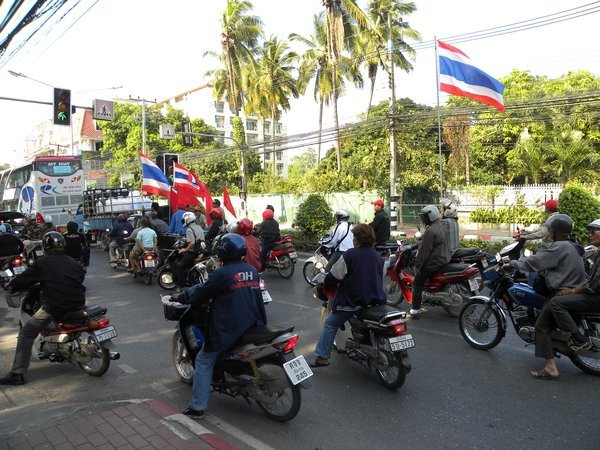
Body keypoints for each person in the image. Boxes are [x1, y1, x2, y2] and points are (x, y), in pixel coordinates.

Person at [173, 233, 267, 418]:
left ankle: (197, 407)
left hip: (230, 327)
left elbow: (201, 291)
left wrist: (181, 296)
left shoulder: (222, 274)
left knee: (203, 359)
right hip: (254, 322)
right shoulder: (252, 270)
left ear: (223, 252)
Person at [0, 232, 86, 386]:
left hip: (55, 305)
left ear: (46, 247)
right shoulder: (73, 261)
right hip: (79, 302)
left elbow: (24, 279)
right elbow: (80, 277)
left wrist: (11, 285)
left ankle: (18, 373)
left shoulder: (42, 263)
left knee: (26, 332)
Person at [507, 214, 586, 380]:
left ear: (557, 232)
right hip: (574, 288)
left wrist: (513, 263)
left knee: (541, 327)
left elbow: (535, 262)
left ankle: (551, 368)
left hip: (561, 292)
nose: (548, 233)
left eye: (550, 230)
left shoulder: (559, 247)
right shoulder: (572, 245)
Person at [310, 224, 387, 367]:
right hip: (376, 301)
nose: (353, 240)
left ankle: (322, 357)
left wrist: (324, 282)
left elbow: (334, 276)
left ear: (358, 239)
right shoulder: (378, 257)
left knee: (330, 323)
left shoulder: (350, 255)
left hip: (354, 302)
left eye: (354, 237)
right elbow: (381, 275)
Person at [551, 218, 600, 355]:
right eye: (589, 232)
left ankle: (580, 340)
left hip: (597, 298)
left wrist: (572, 291)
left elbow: (592, 285)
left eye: (593, 231)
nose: (589, 235)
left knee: (556, 303)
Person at [409, 205, 451, 319]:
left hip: (434, 263)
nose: (423, 220)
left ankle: (415, 310)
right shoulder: (440, 226)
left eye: (424, 217)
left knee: (417, 283)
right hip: (444, 260)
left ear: (430, 217)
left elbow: (424, 252)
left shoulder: (431, 231)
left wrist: (417, 266)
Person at [174, 212, 206, 289]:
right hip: (201, 251)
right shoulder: (198, 227)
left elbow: (192, 243)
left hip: (193, 253)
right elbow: (198, 238)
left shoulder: (189, 229)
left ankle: (181, 286)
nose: (183, 221)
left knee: (181, 267)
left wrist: (185, 249)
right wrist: (186, 239)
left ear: (188, 220)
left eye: (183, 220)